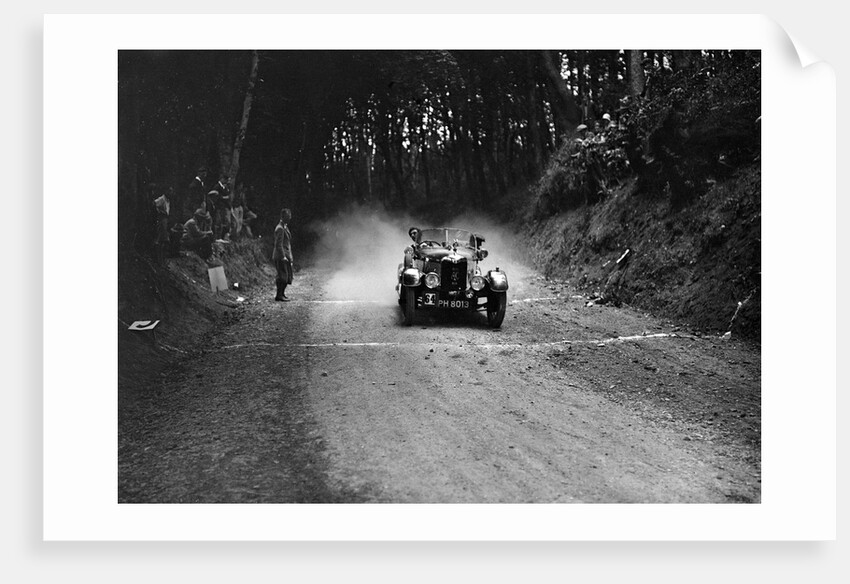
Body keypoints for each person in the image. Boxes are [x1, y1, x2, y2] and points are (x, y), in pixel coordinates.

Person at [272, 208, 294, 301]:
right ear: (283, 217)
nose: (290, 218)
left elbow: (287, 244)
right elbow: (279, 245)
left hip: (285, 255)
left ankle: (282, 294)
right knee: (282, 277)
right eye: (288, 216)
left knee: (287, 276)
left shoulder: (284, 227)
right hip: (281, 256)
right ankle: (279, 295)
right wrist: (283, 256)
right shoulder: (280, 228)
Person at [152, 187, 172, 262]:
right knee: (160, 238)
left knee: (165, 239)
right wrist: (159, 211)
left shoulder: (168, 200)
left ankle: (162, 259)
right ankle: (158, 259)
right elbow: (154, 204)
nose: (171, 193)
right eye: (169, 191)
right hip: (161, 219)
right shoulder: (162, 199)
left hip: (165, 219)